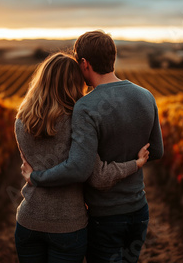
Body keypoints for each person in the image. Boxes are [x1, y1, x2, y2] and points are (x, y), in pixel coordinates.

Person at [21, 30, 164, 263]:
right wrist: (134, 160)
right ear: (112, 58)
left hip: (105, 216)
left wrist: (36, 177)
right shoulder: (146, 96)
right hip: (139, 210)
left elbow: (80, 167)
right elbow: (157, 151)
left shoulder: (86, 106)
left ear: (84, 63)